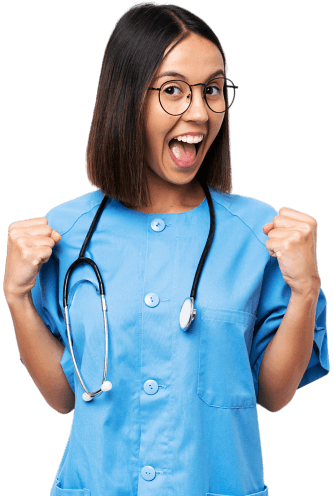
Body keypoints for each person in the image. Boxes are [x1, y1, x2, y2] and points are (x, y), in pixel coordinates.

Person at [3, 2, 329, 495]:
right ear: (126, 97)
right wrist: (17, 296)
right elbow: (64, 398)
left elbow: (273, 395)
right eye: (173, 90)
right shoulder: (64, 234)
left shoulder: (263, 235)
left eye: (213, 90)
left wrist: (306, 290)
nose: (199, 113)